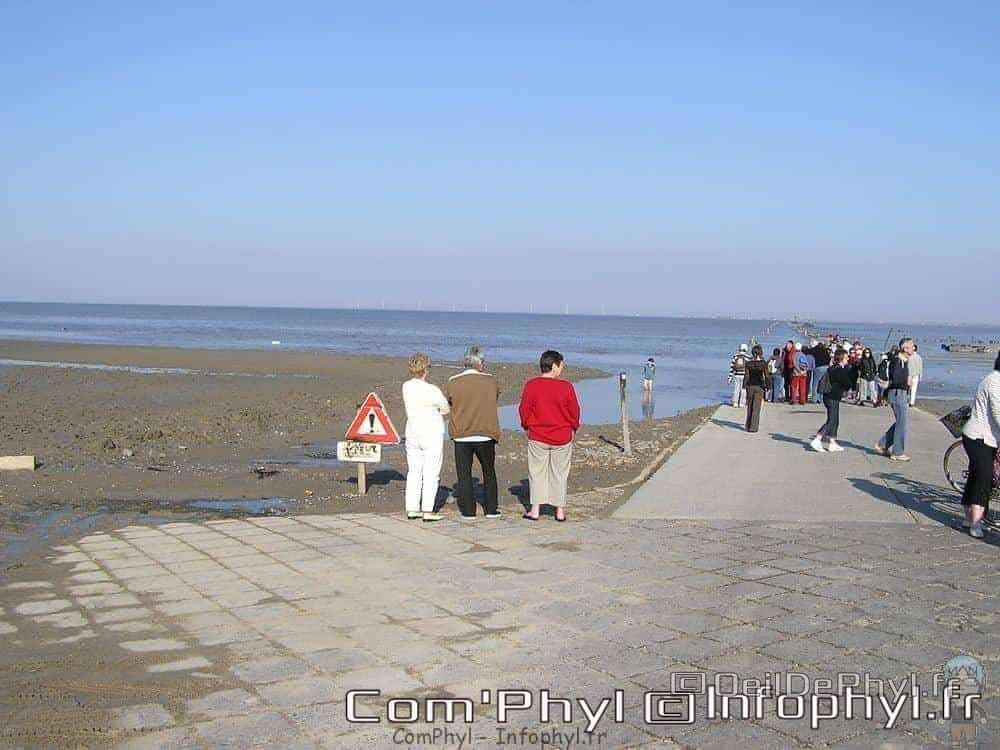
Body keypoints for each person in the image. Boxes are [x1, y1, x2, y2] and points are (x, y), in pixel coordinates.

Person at [519, 350, 581, 522]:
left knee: (537, 472)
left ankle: (536, 509)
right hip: (560, 435)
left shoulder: (532, 385)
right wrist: (573, 427)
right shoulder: (565, 386)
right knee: (559, 473)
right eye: (561, 365)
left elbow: (524, 409)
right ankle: (559, 510)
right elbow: (574, 411)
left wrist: (527, 425)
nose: (562, 369)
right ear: (554, 366)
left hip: (539, 435)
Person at [447, 345, 501, 519]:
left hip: (462, 433)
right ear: (480, 363)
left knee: (464, 475)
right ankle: (491, 509)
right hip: (485, 432)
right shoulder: (490, 380)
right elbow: (495, 395)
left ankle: (468, 511)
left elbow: (450, 401)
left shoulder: (453, 381)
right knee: (489, 471)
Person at [402, 353, 450, 522]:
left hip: (413, 432)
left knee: (414, 471)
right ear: (426, 369)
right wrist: (436, 410)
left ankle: (412, 508)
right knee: (431, 472)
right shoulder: (432, 390)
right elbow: (445, 408)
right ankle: (428, 509)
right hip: (431, 432)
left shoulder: (406, 386)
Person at [960, 353, 1000, 538]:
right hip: (979, 436)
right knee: (983, 478)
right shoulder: (994, 382)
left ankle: (969, 518)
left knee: (976, 476)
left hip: (985, 437)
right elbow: (998, 413)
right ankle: (976, 522)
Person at [810, 348, 856, 452]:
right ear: (841, 358)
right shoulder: (839, 369)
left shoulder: (833, 368)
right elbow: (847, 382)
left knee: (835, 420)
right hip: (832, 397)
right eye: (846, 357)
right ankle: (817, 439)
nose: (848, 359)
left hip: (830, 397)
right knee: (832, 420)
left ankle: (832, 442)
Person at [876, 338, 914, 461]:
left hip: (900, 393)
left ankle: (882, 444)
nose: (913, 348)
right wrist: (907, 382)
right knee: (901, 423)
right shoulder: (898, 361)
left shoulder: (904, 361)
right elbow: (896, 379)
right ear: (905, 348)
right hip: (897, 394)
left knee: (900, 422)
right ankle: (897, 452)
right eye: (911, 346)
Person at [744, 345, 767, 432]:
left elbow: (746, 376)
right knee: (756, 407)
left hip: (750, 386)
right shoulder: (763, 363)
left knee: (749, 406)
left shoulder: (748, 364)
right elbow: (766, 376)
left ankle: (748, 425)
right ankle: (753, 427)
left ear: (752, 353)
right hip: (759, 386)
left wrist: (744, 385)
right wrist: (768, 386)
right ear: (760, 353)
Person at [805, 339, 831, 404]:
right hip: (826, 367)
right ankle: (821, 399)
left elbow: (806, 352)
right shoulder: (825, 350)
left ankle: (814, 399)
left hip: (818, 367)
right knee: (823, 384)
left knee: (815, 383)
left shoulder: (814, 349)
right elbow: (829, 358)